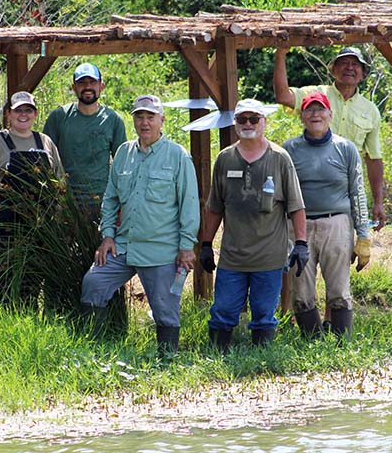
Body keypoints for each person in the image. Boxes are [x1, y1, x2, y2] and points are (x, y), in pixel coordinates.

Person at [80, 95, 200, 357]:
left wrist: (186, 246)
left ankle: (167, 361)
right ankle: (94, 353)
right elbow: (110, 198)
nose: (144, 122)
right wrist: (107, 235)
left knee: (165, 309)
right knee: (93, 283)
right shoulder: (124, 152)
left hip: (161, 250)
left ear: (162, 120)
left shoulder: (178, 156)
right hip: (124, 246)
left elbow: (189, 205)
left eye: (150, 117)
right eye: (139, 116)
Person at [199, 99, 308, 352]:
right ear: (235, 122)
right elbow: (215, 207)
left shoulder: (280, 158)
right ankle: (218, 358)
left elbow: (296, 206)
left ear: (264, 122)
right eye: (242, 119)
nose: (248, 124)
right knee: (223, 310)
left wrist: (301, 244)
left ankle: (262, 360)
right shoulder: (225, 159)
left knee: (263, 313)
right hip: (232, 258)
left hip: (269, 257)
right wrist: (206, 244)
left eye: (253, 119)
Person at [282, 92, 371, 339]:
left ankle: (342, 343)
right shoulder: (289, 149)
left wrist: (363, 236)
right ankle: (313, 343)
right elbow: (283, 194)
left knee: (339, 289)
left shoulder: (346, 148)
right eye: (309, 110)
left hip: (337, 224)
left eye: (320, 110)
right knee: (301, 292)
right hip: (299, 228)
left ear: (330, 115)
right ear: (301, 116)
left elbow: (358, 192)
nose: (315, 115)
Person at [274, 46, 385, 229]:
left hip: (346, 189)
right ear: (333, 69)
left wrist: (378, 202)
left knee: (343, 247)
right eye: (343, 63)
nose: (349, 68)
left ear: (363, 73)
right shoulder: (316, 95)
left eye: (355, 64)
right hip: (309, 184)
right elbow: (283, 96)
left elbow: (373, 158)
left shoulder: (370, 110)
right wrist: (280, 54)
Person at [0, 91, 65, 304]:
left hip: (40, 224)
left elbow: (60, 180)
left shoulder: (45, 141)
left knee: (33, 276)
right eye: (18, 110)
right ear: (9, 114)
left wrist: (57, 216)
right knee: (5, 274)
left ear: (35, 114)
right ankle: (2, 315)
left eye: (28, 110)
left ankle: (28, 315)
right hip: (5, 224)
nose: (23, 114)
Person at [43, 62, 127, 216]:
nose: (87, 87)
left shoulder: (113, 120)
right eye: (82, 83)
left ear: (101, 86)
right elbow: (46, 161)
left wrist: (121, 201)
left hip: (102, 200)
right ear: (74, 87)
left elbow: (122, 165)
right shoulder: (59, 116)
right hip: (66, 201)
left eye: (92, 82)